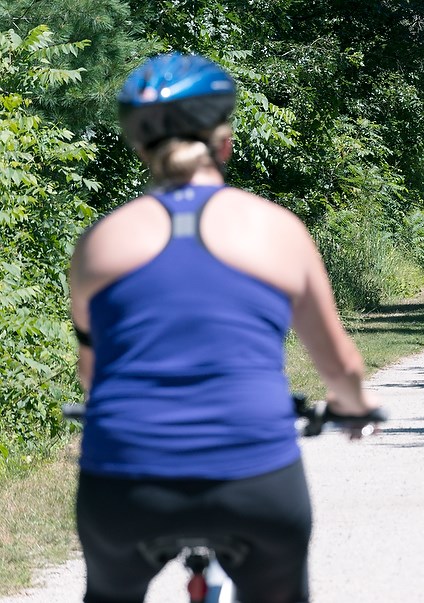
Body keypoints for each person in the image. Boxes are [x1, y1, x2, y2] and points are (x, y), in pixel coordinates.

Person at [69, 53, 379, 603]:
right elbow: (340, 365)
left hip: (126, 483)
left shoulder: (99, 243)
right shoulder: (276, 230)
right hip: (253, 479)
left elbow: (93, 376)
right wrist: (353, 409)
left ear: (140, 147)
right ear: (224, 141)